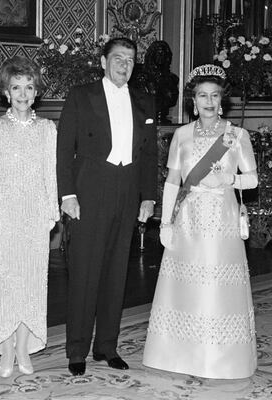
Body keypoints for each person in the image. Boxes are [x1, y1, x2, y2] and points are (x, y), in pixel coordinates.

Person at [142, 64, 258, 379]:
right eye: (202, 95)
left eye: (214, 95)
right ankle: (178, 355)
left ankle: (223, 358)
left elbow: (252, 180)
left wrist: (229, 178)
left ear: (222, 100)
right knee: (185, 287)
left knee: (218, 288)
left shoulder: (237, 135)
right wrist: (165, 222)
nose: (208, 101)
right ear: (193, 101)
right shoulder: (181, 135)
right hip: (188, 220)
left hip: (222, 220)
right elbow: (172, 181)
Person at [57, 37, 158, 376]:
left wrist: (148, 196)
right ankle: (77, 351)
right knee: (85, 272)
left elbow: (149, 155)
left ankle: (107, 346)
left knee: (116, 273)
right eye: (117, 58)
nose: (123, 64)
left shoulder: (144, 101)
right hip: (89, 192)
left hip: (127, 192)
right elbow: (63, 150)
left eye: (129, 60)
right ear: (103, 61)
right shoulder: (81, 96)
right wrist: (67, 195)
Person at [0, 55, 59, 378]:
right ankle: (5, 349)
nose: (23, 93)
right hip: (2, 216)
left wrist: (52, 213)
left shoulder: (48, 129)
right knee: (5, 284)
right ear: (6, 92)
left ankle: (23, 347)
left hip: (36, 217)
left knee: (32, 284)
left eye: (29, 87)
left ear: (36, 92)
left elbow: (52, 174)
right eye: (16, 87)